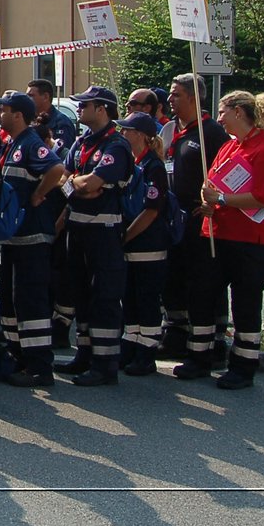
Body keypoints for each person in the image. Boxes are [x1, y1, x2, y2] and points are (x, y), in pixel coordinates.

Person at [175, 91, 264, 389]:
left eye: (223, 111)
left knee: (245, 303)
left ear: (239, 112)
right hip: (216, 233)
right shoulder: (229, 146)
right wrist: (208, 200)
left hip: (249, 241)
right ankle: (199, 357)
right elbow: (210, 181)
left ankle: (243, 366)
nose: (219, 117)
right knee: (203, 294)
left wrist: (222, 199)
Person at [53, 86, 131, 387]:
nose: (80, 109)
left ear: (102, 109)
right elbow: (64, 178)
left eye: (85, 105)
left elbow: (96, 181)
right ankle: (84, 354)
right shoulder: (83, 142)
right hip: (78, 228)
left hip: (104, 231)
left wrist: (80, 184)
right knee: (81, 294)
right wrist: (78, 184)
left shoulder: (116, 145)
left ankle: (105, 363)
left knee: (105, 297)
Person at [0, 91, 66, 388]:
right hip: (14, 238)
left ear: (18, 115)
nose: (0, 114)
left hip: (32, 237)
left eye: (5, 110)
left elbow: (56, 169)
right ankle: (18, 356)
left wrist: (38, 194)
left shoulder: (31, 143)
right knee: (10, 301)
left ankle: (39, 367)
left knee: (31, 302)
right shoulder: (12, 144)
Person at [160, 73, 231, 360]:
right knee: (174, 279)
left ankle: (212, 341)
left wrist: (210, 205)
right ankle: (177, 333)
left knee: (202, 281)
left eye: (176, 94)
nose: (170, 100)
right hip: (174, 219)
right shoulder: (175, 132)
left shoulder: (211, 133)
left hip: (199, 222)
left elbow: (225, 175)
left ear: (193, 97)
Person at [118, 111, 172, 376]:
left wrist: (125, 236)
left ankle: (146, 353)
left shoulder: (153, 167)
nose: (122, 134)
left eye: (126, 130)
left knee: (147, 300)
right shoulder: (134, 163)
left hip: (148, 245)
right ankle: (130, 346)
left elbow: (151, 211)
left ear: (139, 135)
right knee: (131, 300)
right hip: (132, 245)